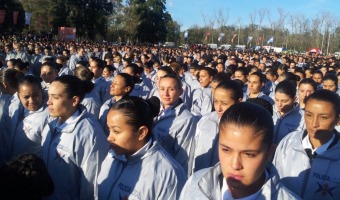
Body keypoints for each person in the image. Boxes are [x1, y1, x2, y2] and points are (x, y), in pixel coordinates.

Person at [180, 103, 300, 200]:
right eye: (226, 150)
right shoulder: (196, 182)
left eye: (249, 154)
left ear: (270, 153)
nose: (235, 165)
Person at [97, 96, 186, 199]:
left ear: (141, 132)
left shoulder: (168, 174)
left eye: (116, 131)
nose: (109, 138)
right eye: (109, 129)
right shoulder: (112, 156)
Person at [41, 75, 109, 199]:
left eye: (55, 97)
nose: (48, 101)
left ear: (74, 100)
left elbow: (92, 184)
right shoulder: (51, 123)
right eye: (49, 95)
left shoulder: (89, 133)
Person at [273, 89, 340, 199]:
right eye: (309, 115)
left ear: (338, 120)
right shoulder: (288, 142)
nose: (314, 123)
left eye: (323, 117)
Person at [192, 80, 243, 173]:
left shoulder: (243, 129)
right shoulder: (206, 120)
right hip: (200, 177)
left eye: (224, 103)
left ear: (239, 102)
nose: (218, 108)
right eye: (215, 101)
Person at [153, 74, 197, 175]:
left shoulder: (186, 119)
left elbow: (184, 157)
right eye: (162, 89)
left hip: (166, 174)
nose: (166, 94)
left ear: (180, 91)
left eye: (171, 89)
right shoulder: (155, 112)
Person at [7, 75, 50, 161]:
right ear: (19, 97)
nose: (32, 101)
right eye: (26, 97)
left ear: (41, 92)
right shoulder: (16, 109)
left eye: (35, 95)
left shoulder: (49, 114)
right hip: (15, 165)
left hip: (33, 168)